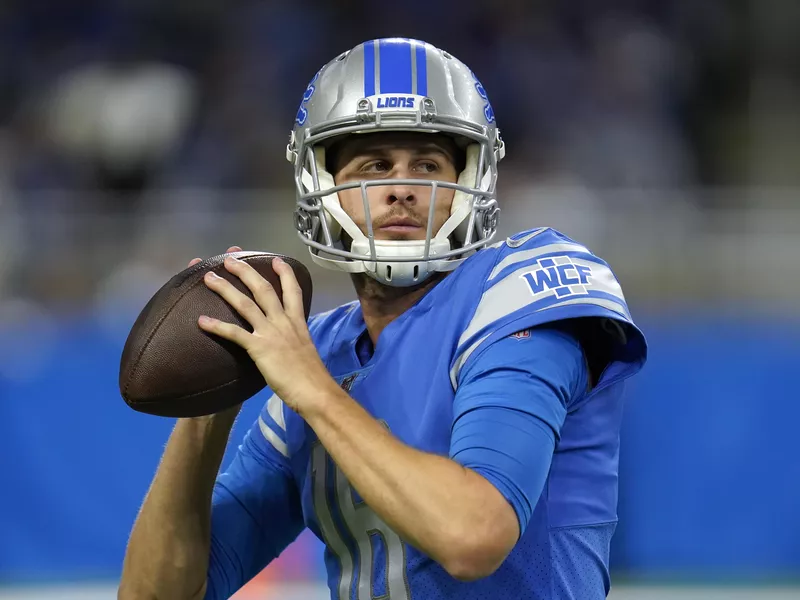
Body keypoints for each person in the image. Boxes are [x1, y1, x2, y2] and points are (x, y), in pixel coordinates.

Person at [119, 38, 647, 600]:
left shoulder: (519, 290)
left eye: (428, 164)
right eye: (373, 165)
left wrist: (316, 393)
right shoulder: (319, 351)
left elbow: (474, 535)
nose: (400, 189)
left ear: (472, 180)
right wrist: (210, 401)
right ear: (321, 187)